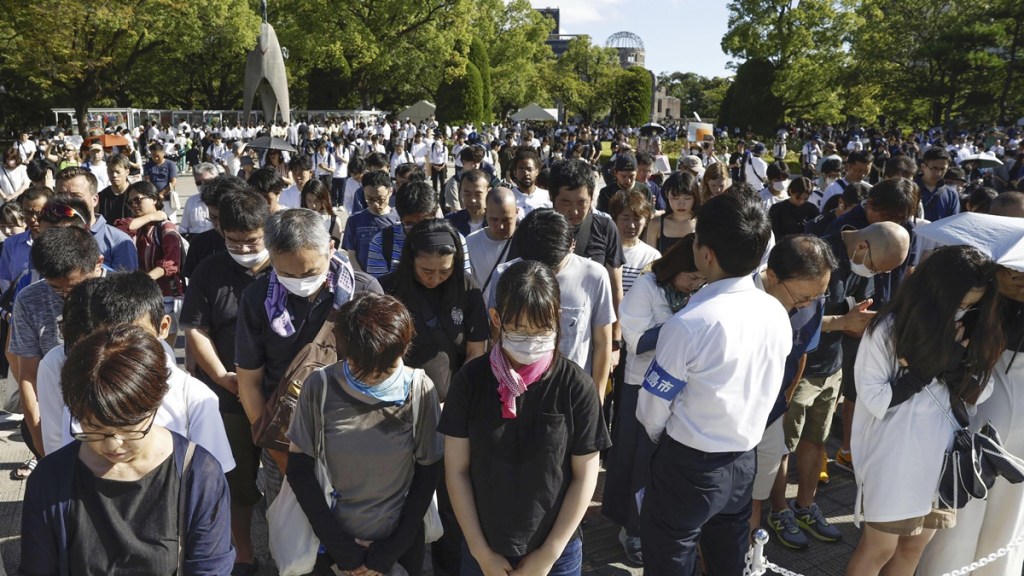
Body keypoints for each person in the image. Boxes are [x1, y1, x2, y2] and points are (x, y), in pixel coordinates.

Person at [636, 193, 793, 575]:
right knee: (727, 561)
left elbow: (651, 409)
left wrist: (670, 441)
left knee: (670, 558)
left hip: (689, 463)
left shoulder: (689, 324)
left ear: (705, 253)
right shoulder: (775, 310)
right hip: (742, 461)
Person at [440, 259, 610, 576]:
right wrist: (481, 552)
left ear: (557, 319)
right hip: (483, 550)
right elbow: (457, 470)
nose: (530, 341)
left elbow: (585, 475)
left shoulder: (575, 386)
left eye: (541, 330)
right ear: (496, 318)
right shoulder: (470, 381)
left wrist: (548, 555)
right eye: (518, 330)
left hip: (556, 554)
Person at [20, 324, 234, 575]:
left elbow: (210, 568)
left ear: (155, 406)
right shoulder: (50, 479)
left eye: (128, 429)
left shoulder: (198, 475)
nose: (112, 444)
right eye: (94, 428)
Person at [846, 245, 1004, 576]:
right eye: (958, 302)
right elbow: (875, 398)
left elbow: (981, 390)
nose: (963, 310)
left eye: (971, 304)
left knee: (913, 548)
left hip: (944, 456)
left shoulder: (972, 324)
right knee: (879, 549)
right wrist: (923, 370)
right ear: (937, 291)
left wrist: (956, 368)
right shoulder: (890, 328)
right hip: (895, 453)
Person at [286, 292, 443, 576]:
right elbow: (299, 470)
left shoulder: (420, 389)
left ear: (403, 348)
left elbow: (427, 474)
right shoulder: (319, 387)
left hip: (399, 548)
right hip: (330, 548)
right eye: (361, 367)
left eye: (385, 367)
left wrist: (387, 553)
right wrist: (343, 550)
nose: (374, 376)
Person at [235, 209, 377, 507]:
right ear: (271, 258)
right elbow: (249, 381)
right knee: (291, 542)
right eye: (287, 274)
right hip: (284, 435)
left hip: (354, 435)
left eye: (311, 272)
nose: (300, 281)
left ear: (331, 249)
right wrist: (277, 450)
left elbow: (381, 372)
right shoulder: (256, 297)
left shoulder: (364, 292)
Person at [180, 190, 271, 574]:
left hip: (284, 391)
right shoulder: (210, 271)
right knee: (236, 479)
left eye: (252, 240)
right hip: (228, 395)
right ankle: (244, 554)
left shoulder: (287, 265)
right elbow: (196, 329)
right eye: (234, 241)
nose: (244, 248)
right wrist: (220, 374)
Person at [603, 235, 704, 565]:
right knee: (639, 460)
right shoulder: (647, 286)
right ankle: (632, 530)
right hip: (642, 385)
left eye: (701, 279)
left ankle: (659, 523)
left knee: (667, 462)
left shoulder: (696, 293)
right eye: (691, 277)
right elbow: (636, 342)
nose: (696, 284)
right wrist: (683, 320)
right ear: (675, 268)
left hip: (681, 386)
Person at [10, 227, 106, 478]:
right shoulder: (29, 300)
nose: (67, 295)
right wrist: (39, 437)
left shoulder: (119, 294)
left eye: (75, 286)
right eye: (56, 288)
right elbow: (28, 375)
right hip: (55, 418)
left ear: (98, 264)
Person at [378, 219, 488, 400]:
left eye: (445, 271)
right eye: (427, 271)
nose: (435, 279)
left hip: (450, 402)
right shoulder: (387, 289)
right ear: (411, 260)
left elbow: (475, 351)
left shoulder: (466, 287)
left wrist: (459, 397)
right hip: (397, 401)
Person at [126, 181, 186, 347]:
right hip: (141, 295)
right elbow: (120, 228)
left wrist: (144, 279)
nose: (134, 205)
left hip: (165, 295)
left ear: (153, 199)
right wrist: (151, 216)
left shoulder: (165, 227)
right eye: (130, 202)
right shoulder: (138, 226)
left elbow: (171, 262)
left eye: (138, 199)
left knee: (162, 348)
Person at [55, 166, 139, 271]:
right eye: (61, 195)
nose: (67, 202)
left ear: (94, 200)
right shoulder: (49, 237)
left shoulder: (119, 242)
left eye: (76, 196)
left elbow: (128, 285)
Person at [341, 170, 399, 272]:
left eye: (380, 199)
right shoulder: (354, 220)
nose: (375, 204)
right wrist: (364, 279)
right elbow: (351, 254)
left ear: (390, 191)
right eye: (370, 199)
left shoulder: (399, 219)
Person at [464, 186, 517, 291]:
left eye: (506, 220)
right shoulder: (471, 243)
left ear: (517, 212)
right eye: (494, 220)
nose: (500, 226)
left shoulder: (526, 241)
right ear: (486, 212)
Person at [609, 190, 660, 294]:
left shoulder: (652, 256)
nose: (631, 225)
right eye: (625, 218)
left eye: (637, 219)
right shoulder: (604, 251)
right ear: (615, 219)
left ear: (646, 221)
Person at [645, 171, 700, 253]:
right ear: (667, 195)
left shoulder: (702, 224)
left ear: (695, 197)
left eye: (687, 198)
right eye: (675, 198)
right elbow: (650, 259)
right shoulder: (656, 224)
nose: (681, 204)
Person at [178, 162, 219, 239]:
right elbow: (183, 229)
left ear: (216, 179)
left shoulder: (224, 200)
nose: (203, 185)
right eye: (199, 183)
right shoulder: (191, 201)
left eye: (206, 181)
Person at [444, 169, 488, 237]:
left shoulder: (497, 223)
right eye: (467, 194)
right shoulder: (450, 223)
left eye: (478, 194)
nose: (472, 200)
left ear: (488, 192)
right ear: (460, 192)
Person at [143, 142, 180, 223]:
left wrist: (162, 193)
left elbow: (173, 182)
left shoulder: (170, 164)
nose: (155, 158)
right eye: (153, 156)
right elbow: (147, 181)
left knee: (171, 221)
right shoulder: (148, 166)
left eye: (157, 156)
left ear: (163, 153)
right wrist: (155, 194)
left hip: (167, 198)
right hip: (153, 198)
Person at [302, 179, 344, 249]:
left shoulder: (333, 221)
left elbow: (334, 248)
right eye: (309, 201)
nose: (313, 206)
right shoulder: (299, 219)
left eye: (317, 201)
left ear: (324, 199)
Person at [97, 154, 135, 224]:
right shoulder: (102, 196)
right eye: (110, 171)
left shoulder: (136, 195)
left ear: (127, 172)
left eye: (118, 172)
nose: (114, 175)